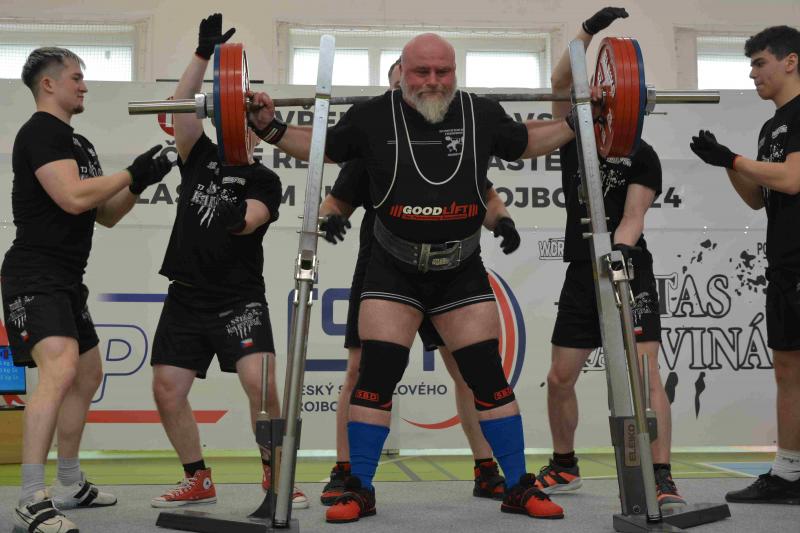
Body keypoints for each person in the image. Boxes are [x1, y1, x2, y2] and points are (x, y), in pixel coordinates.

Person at [249, 32, 590, 524]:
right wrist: (269, 128)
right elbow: (321, 146)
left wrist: (581, 121)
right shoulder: (371, 116)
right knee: (375, 378)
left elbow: (527, 141)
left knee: (489, 380)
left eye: (442, 71)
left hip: (460, 271)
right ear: (403, 72)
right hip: (393, 269)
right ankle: (360, 488)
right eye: (422, 72)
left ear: (455, 71)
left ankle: (516, 484)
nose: (433, 81)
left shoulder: (479, 113)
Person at [317, 59, 521, 505]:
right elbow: (335, 201)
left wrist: (502, 219)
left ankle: (487, 468)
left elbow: (485, 193)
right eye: (397, 87)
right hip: (387, 271)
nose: (409, 94)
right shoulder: (374, 140)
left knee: (469, 372)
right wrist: (328, 219)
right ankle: (346, 471)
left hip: (450, 272)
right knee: (362, 373)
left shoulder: (450, 145)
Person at [2, 47, 171, 533]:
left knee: (87, 373)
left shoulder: (79, 144)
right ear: (48, 84)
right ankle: (30, 498)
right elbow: (73, 198)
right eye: (76, 77)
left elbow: (106, 214)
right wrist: (131, 172)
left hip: (65, 279)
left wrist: (141, 182)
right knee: (59, 369)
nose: (84, 86)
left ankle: (69, 483)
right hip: (34, 275)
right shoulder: (40, 132)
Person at [147, 14, 307, 510]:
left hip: (239, 300)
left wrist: (232, 204)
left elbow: (248, 221)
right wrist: (202, 55)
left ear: (255, 128)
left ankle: (276, 475)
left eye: (247, 123)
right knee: (167, 389)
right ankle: (197, 478)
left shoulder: (264, 181)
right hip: (186, 297)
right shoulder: (198, 155)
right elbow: (179, 107)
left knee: (262, 387)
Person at [534, 7, 685, 510]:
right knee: (560, 378)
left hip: (628, 268)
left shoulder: (644, 156)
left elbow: (632, 218)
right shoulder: (574, 137)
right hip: (582, 272)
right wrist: (589, 30)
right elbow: (560, 82)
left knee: (644, 376)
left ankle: (661, 476)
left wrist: (617, 255)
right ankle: (564, 464)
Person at [690, 24, 800, 505]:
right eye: (751, 65)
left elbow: (792, 179)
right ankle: (789, 473)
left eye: (759, 63)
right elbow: (758, 198)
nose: (753, 73)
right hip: (784, 264)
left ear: (790, 61)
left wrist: (732, 158)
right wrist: (725, 164)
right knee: (787, 369)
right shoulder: (771, 126)